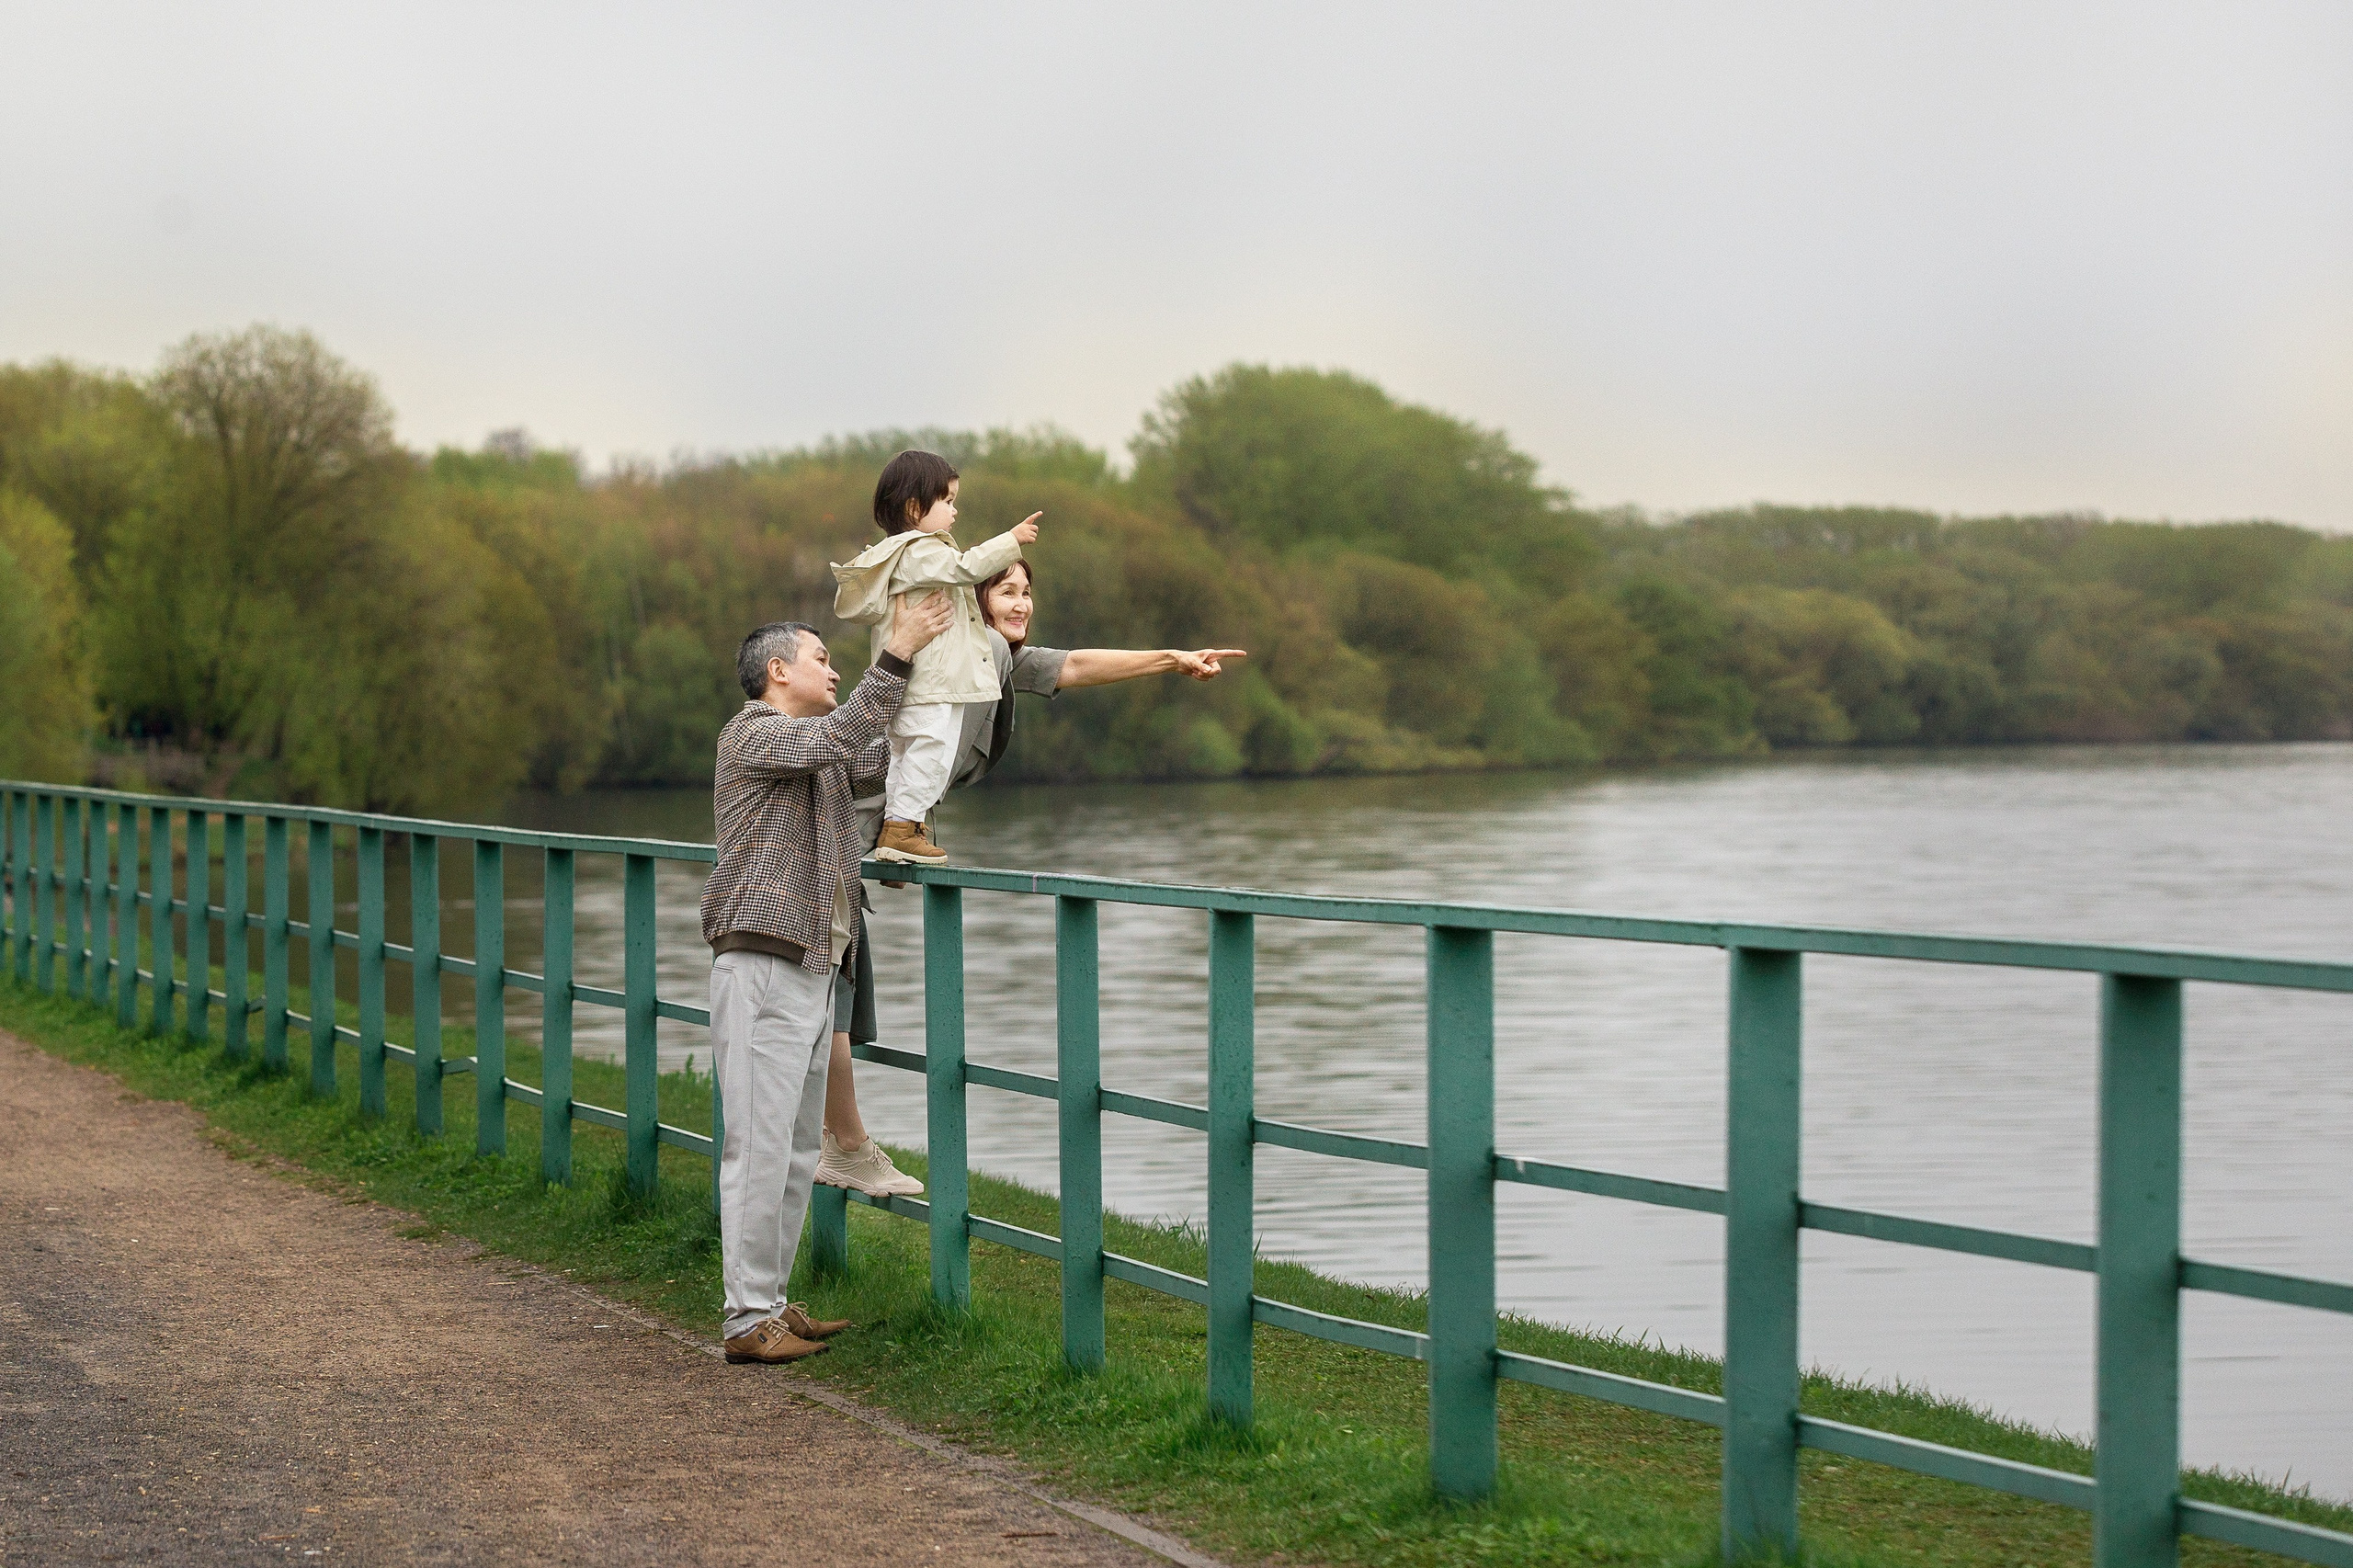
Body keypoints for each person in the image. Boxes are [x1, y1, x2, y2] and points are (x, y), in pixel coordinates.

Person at [811, 556, 1245, 1197]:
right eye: (1006, 591)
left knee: (832, 998)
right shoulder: (965, 649)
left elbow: (1070, 666)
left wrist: (1170, 659)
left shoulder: (993, 660)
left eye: (1027, 592)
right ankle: (843, 1147)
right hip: (840, 819)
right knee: (826, 997)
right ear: (974, 600)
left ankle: (834, 1143)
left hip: (865, 823)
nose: (1022, 603)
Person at [700, 588, 954, 1364]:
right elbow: (849, 730)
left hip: (809, 967)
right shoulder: (753, 734)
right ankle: (746, 1319)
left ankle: (768, 1305)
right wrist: (898, 650)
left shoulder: (820, 754)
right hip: (762, 965)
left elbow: (888, 758)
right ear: (778, 672)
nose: (835, 669)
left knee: (797, 1150)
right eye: (821, 657)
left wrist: (957, 685)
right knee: (759, 1145)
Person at [830, 449, 1040, 867]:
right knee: (931, 752)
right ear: (914, 508)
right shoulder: (920, 550)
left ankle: (899, 829)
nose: (954, 510)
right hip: (932, 684)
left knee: (906, 755)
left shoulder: (899, 553)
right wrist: (1010, 542)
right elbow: (966, 568)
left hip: (909, 685)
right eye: (947, 501)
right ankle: (903, 829)